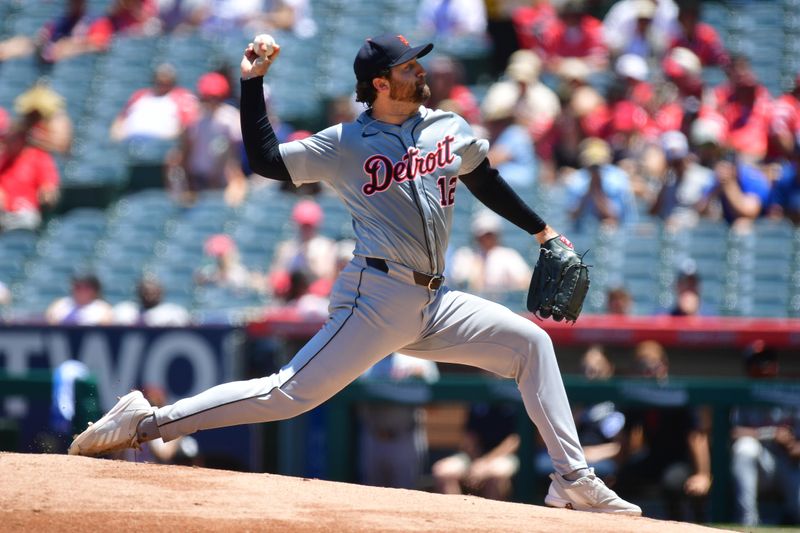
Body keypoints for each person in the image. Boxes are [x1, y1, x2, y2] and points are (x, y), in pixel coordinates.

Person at [69, 32, 641, 515]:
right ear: (381, 84)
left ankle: (572, 479)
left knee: (531, 344)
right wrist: (251, 84)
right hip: (376, 295)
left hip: (435, 302)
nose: (421, 70)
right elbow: (266, 161)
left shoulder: (446, 126)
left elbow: (482, 177)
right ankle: (147, 422)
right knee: (287, 394)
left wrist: (542, 231)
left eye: (418, 62)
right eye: (408, 66)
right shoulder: (345, 142)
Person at [615, 340, 711, 521]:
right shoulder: (638, 396)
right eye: (642, 366)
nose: (648, 372)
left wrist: (702, 475)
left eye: (653, 366)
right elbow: (626, 440)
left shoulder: (678, 392)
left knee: (672, 483)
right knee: (621, 481)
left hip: (680, 461)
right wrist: (617, 470)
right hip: (654, 458)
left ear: (664, 366)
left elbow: (696, 437)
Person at [730, 341, 800, 526]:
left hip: (790, 463)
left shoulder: (792, 392)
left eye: (768, 361)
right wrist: (770, 433)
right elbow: (732, 432)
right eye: (758, 362)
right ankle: (748, 522)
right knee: (745, 448)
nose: (764, 366)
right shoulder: (741, 394)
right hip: (762, 465)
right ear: (748, 368)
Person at [358, 352, 439, 489]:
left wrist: (420, 379)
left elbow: (436, 401)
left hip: (405, 436)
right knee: (370, 492)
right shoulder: (366, 356)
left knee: (406, 494)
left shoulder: (418, 357)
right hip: (373, 435)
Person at [166, 71, 246, 206]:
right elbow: (185, 151)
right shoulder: (194, 117)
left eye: (215, 97)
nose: (211, 101)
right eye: (208, 97)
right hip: (196, 179)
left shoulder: (230, 117)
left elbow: (234, 156)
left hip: (222, 179)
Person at [432, 390, 521, 500]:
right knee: (443, 471)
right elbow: (469, 437)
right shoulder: (478, 400)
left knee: (496, 475)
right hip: (473, 457)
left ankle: (490, 516)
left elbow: (514, 441)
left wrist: (484, 463)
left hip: (503, 456)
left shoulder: (516, 399)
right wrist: (476, 463)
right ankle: (457, 515)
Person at [449, 210, 532, 295]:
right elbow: (459, 282)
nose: (487, 238)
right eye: (484, 234)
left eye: (490, 234)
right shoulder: (465, 255)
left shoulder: (508, 256)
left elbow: (525, 282)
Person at [0, 122, 61, 232]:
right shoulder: (3, 159)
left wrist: (46, 193)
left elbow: (49, 189)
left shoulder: (37, 157)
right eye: (8, 139)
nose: (10, 142)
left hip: (26, 214)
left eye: (14, 138)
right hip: (4, 215)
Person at [112, 276, 191, 326]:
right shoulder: (125, 309)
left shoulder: (173, 312)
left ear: (161, 291)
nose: (148, 296)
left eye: (152, 292)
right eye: (145, 291)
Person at [45, 271, 114, 325]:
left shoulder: (103, 308)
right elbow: (51, 324)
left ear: (95, 289)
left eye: (86, 287)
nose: (82, 291)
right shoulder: (59, 304)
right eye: (78, 287)